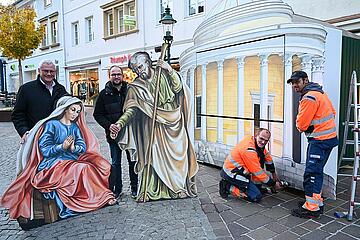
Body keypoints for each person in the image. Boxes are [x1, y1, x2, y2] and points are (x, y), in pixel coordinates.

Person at [0, 96, 116, 226]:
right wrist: (62, 147)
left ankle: (97, 198)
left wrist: (73, 148)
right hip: (51, 164)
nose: (75, 114)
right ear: (64, 109)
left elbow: (82, 147)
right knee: (82, 169)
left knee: (93, 167)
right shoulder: (51, 125)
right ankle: (86, 201)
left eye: (78, 112)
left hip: (70, 161)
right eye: (73, 110)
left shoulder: (74, 127)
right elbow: (45, 149)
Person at [111, 51, 198, 201]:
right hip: (152, 127)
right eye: (136, 70)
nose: (139, 71)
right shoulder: (135, 87)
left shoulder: (163, 74)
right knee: (155, 157)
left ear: (148, 63)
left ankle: (177, 188)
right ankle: (154, 190)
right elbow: (131, 109)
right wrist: (120, 123)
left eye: (140, 67)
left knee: (179, 155)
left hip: (173, 121)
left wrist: (169, 70)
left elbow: (178, 89)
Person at [287, 71, 338, 219]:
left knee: (311, 173)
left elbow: (302, 124)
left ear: (305, 80)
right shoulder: (320, 92)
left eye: (297, 82)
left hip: (319, 141)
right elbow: (333, 113)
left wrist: (303, 126)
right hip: (329, 139)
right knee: (317, 171)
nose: (295, 85)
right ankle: (316, 201)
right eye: (293, 83)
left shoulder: (309, 97)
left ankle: (312, 208)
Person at [93, 65, 138, 199]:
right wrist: (109, 125)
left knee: (133, 162)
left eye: (118, 74)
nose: (116, 77)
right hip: (113, 136)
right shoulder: (103, 94)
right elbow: (98, 114)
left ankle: (135, 188)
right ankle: (117, 190)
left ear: (122, 75)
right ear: (109, 76)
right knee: (116, 163)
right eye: (113, 74)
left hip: (130, 135)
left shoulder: (131, 91)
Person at [11, 60, 68, 146]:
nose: (49, 74)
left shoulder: (61, 89)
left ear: (55, 72)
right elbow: (17, 114)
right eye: (45, 71)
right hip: (35, 138)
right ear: (39, 71)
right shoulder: (26, 89)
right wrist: (24, 131)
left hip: (58, 138)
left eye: (51, 71)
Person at [219, 128, 281, 202]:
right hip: (231, 173)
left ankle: (251, 187)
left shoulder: (257, 144)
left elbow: (268, 158)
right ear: (256, 136)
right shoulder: (249, 149)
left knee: (259, 191)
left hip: (240, 171)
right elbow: (257, 172)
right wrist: (273, 184)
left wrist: (274, 173)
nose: (263, 142)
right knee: (256, 197)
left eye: (266, 140)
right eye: (261, 138)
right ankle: (227, 186)